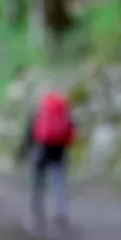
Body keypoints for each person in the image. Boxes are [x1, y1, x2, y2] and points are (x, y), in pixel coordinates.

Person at [20, 89, 76, 232]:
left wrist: (25, 151)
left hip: (41, 150)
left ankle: (36, 212)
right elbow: (71, 128)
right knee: (59, 181)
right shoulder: (63, 110)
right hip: (59, 150)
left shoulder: (39, 110)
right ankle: (61, 211)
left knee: (38, 182)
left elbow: (30, 132)